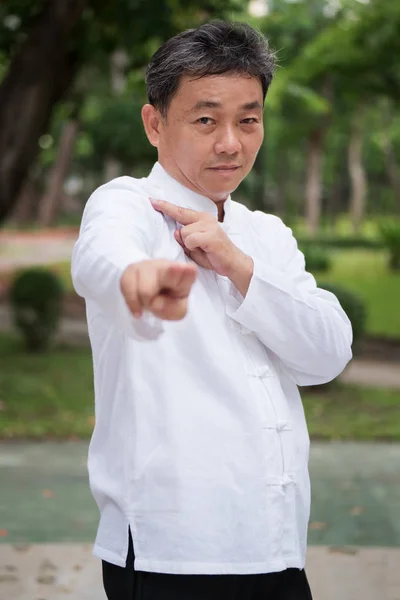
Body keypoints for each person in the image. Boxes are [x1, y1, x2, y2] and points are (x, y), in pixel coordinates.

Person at [71, 20, 352, 600]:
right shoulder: (127, 204)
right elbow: (100, 256)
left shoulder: (266, 233)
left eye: (248, 119)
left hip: (276, 547)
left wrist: (239, 267)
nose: (231, 142)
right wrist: (137, 276)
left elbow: (328, 354)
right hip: (168, 552)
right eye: (206, 119)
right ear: (155, 124)